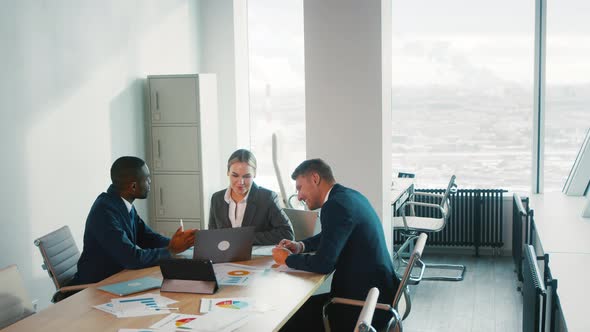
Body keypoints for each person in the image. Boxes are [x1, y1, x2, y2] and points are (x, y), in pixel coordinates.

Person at [272, 159, 398, 331]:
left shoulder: (335, 205)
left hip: (360, 304)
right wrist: (300, 246)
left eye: (300, 187)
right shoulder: (349, 196)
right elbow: (332, 234)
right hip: (377, 292)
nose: (299, 196)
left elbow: (324, 264)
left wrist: (288, 259)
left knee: (285, 319)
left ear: (315, 178)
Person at [74, 156, 196, 284]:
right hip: (96, 286)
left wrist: (181, 243)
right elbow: (132, 258)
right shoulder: (104, 212)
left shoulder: (122, 204)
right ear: (133, 187)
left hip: (118, 278)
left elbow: (147, 238)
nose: (150, 182)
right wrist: (171, 250)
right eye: (147, 178)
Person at [209, 149, 294, 245]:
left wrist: (244, 238)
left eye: (246, 176)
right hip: (224, 257)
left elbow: (287, 233)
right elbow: (212, 235)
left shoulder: (266, 198)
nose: (241, 182)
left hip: (255, 258)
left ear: (254, 174)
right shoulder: (217, 198)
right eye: (235, 175)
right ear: (228, 172)